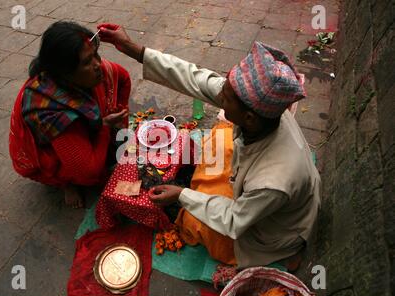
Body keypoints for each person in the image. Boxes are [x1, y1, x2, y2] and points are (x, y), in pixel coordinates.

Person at [97, 23, 321, 270]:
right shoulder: (265, 111)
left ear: (249, 118)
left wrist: (181, 195)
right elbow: (196, 78)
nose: (219, 96)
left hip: (274, 230)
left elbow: (234, 219)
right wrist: (132, 49)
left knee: (196, 223)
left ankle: (289, 251)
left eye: (225, 97)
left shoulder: (272, 182)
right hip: (259, 183)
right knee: (221, 134)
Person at [9, 21, 131, 208]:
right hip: (49, 152)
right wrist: (105, 126)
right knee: (90, 172)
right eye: (87, 62)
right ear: (65, 73)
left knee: (117, 143)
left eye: (95, 55)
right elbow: (88, 172)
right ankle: (66, 184)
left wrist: (119, 114)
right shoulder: (53, 113)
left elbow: (122, 78)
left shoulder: (90, 72)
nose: (98, 64)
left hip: (85, 124)